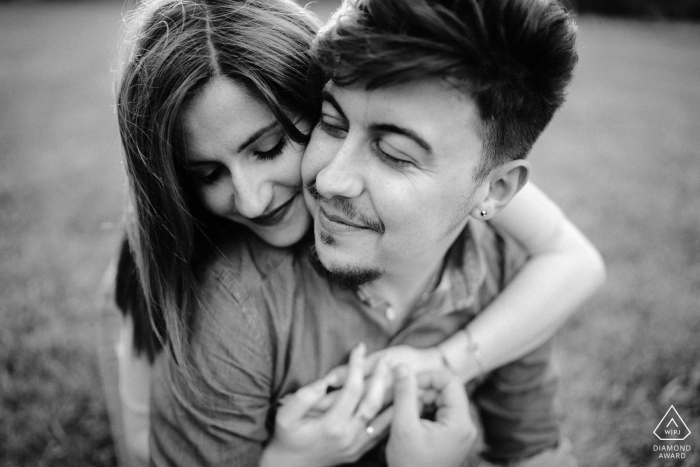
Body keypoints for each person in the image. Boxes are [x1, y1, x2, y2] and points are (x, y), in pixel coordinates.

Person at [102, 0, 604, 464]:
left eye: (394, 154)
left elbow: (538, 449)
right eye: (332, 123)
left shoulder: (505, 263)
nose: (329, 178)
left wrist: (450, 362)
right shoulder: (235, 302)